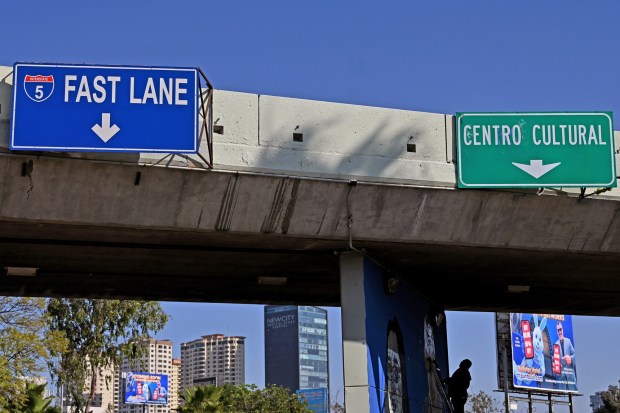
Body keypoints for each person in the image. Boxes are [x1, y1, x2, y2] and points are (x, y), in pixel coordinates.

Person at [555, 321, 576, 390]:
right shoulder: (555, 345)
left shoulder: (568, 341)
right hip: (561, 378)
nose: (560, 332)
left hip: (571, 376)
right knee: (561, 394)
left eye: (560, 329)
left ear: (563, 330)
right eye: (558, 330)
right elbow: (555, 362)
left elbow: (575, 355)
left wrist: (571, 358)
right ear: (556, 332)